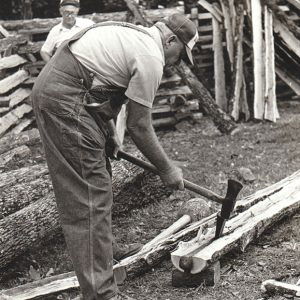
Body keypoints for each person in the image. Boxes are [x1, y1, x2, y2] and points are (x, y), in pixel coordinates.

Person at [31, 13, 198, 300]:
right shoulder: (150, 56)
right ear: (171, 39)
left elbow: (101, 84)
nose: (177, 64)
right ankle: (101, 293)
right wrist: (167, 170)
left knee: (96, 184)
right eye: (180, 55)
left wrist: (108, 132)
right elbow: (139, 125)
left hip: (65, 93)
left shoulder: (134, 36)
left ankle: (101, 260)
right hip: (66, 99)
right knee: (88, 196)